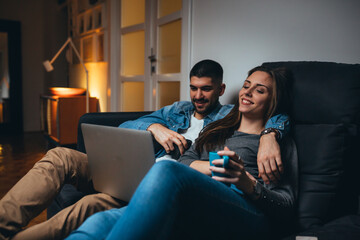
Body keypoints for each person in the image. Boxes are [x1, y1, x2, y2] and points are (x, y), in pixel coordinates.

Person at [0, 60, 288, 240]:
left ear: (221, 89)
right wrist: (153, 127)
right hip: (137, 165)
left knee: (92, 206)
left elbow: (275, 113)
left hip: (162, 178)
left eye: (206, 89)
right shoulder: (178, 109)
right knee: (60, 156)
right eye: (194, 88)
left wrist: (271, 133)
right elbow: (128, 125)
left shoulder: (228, 117)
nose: (198, 96)